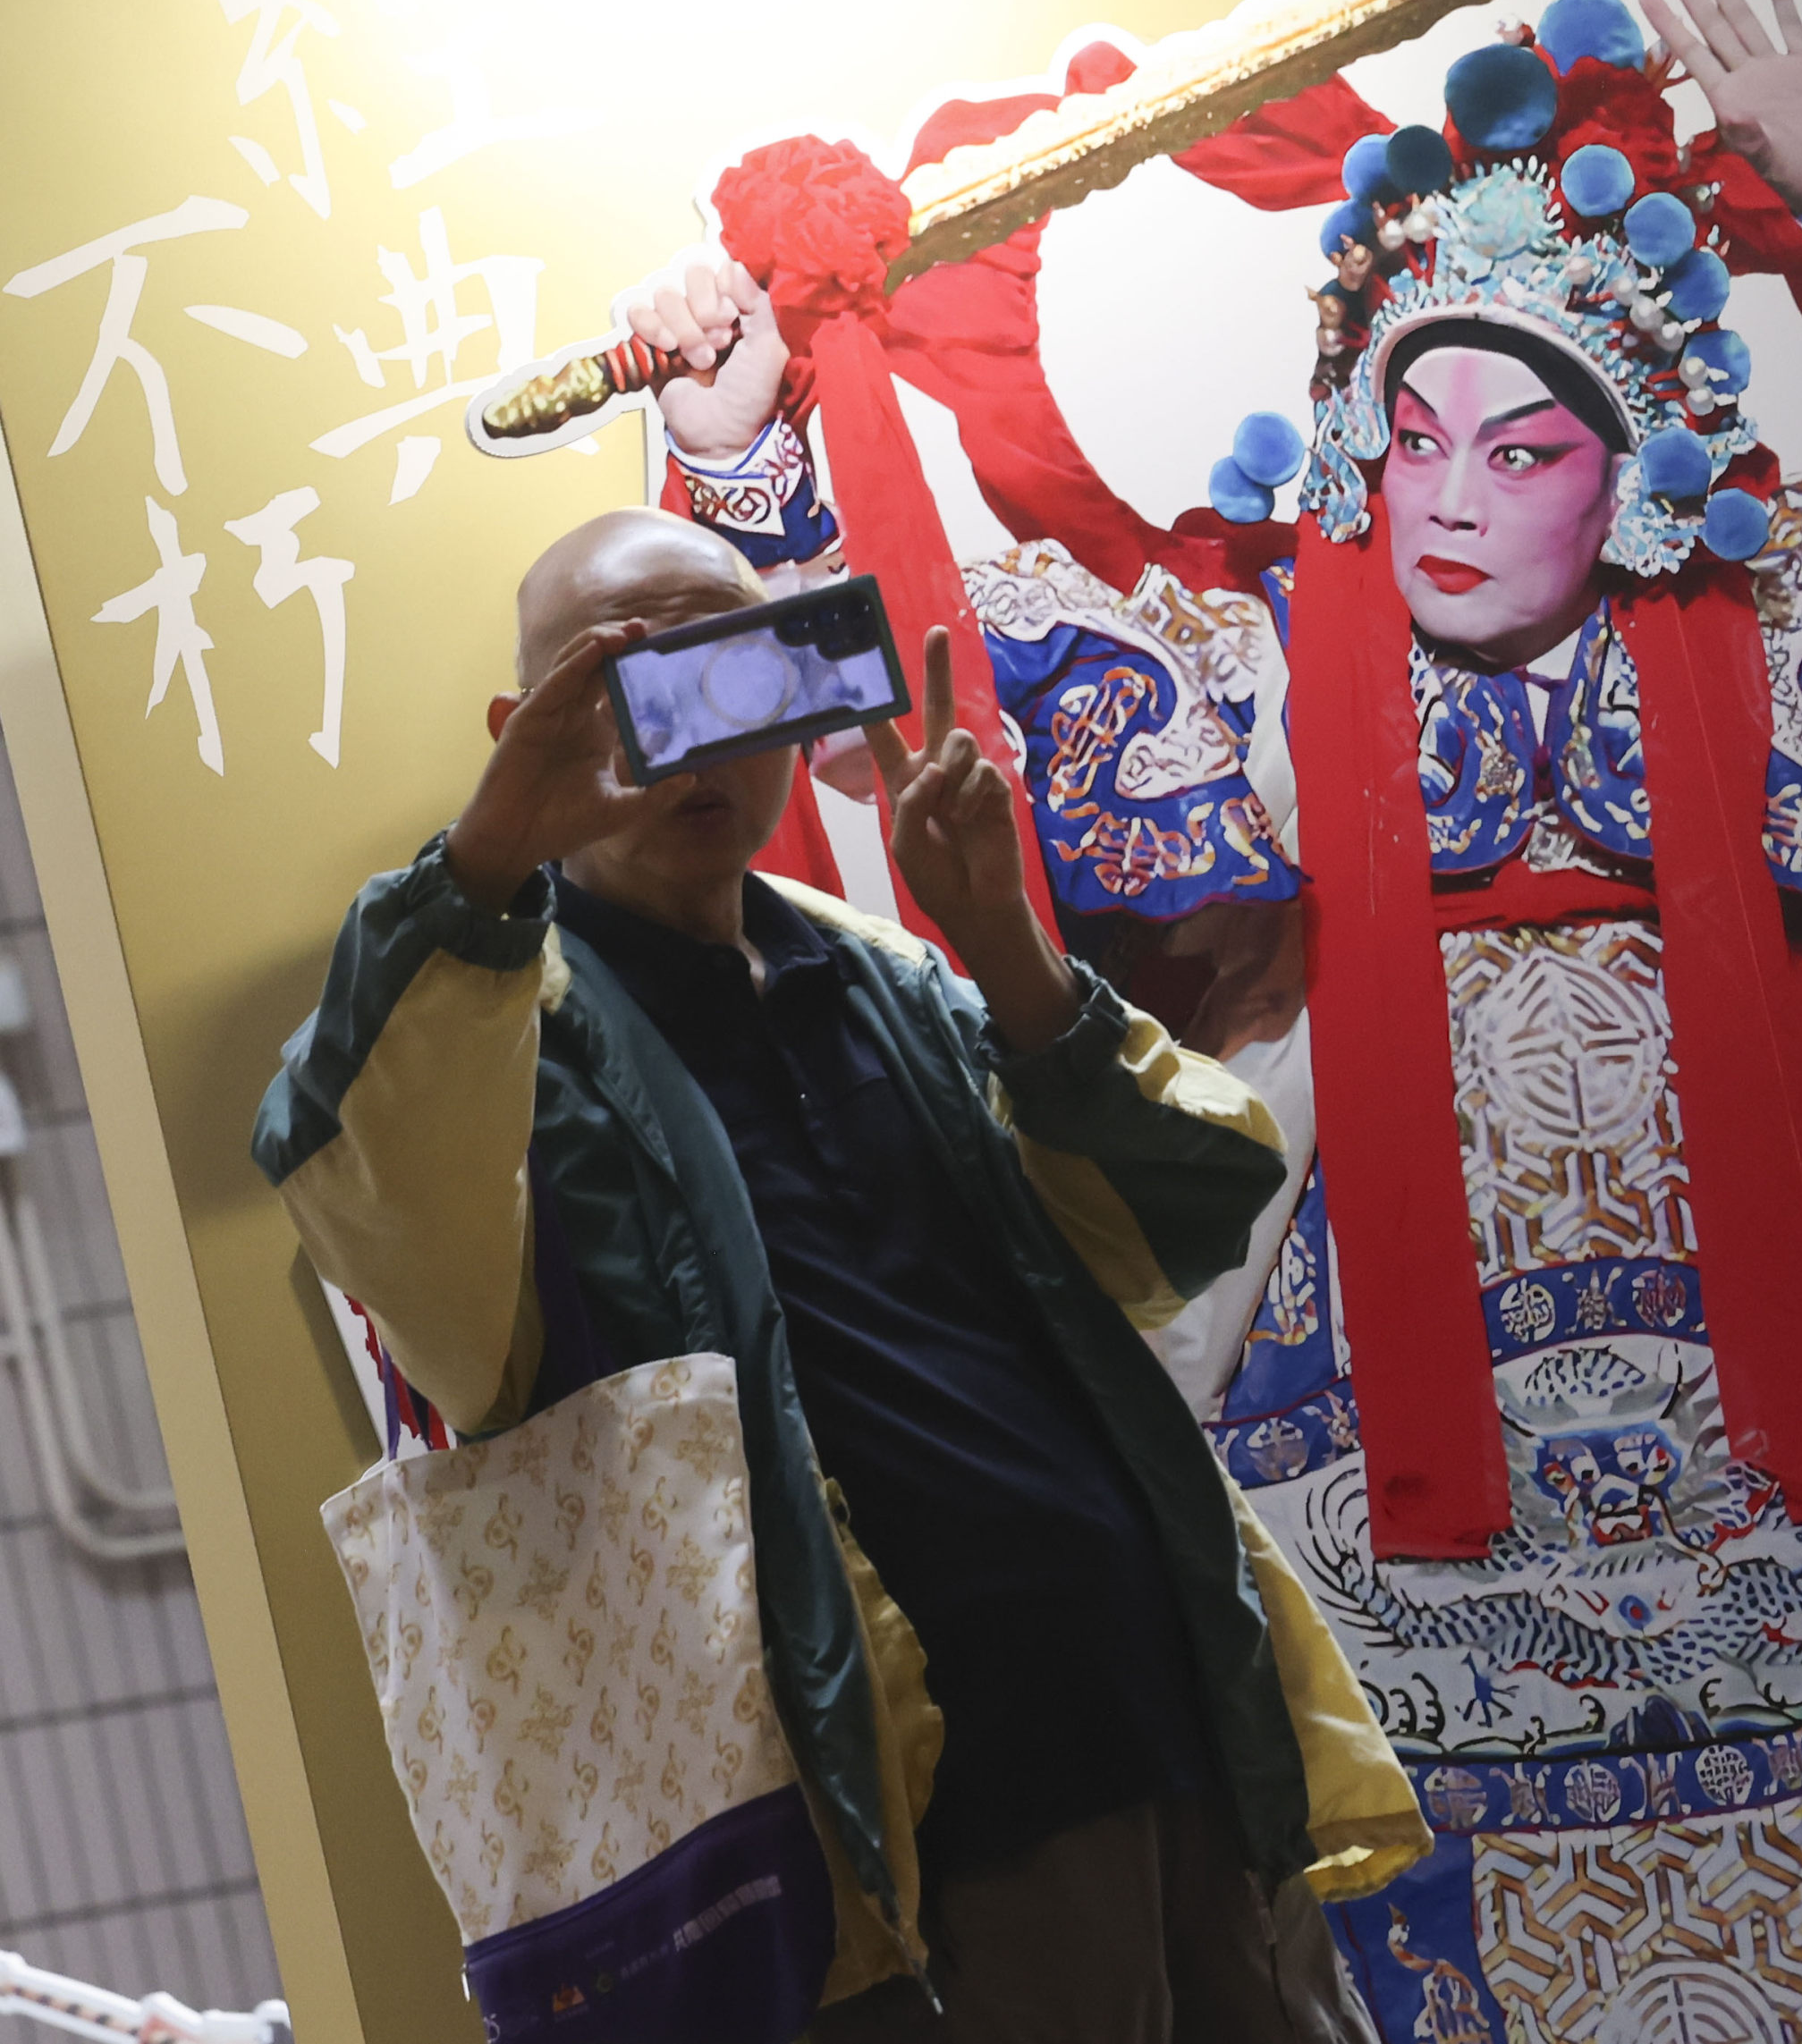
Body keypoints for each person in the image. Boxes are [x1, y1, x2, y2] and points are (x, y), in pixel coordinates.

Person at [659, 0, 1802, 2040]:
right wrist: (745, 455)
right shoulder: (1264, 670)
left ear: (1633, 456)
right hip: (1367, 1385)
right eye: (1419, 436)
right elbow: (884, 688)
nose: (1455, 498)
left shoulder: (1763, 629)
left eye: (1526, 446)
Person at [250, 506, 1427, 2041]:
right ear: (526, 731)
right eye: (628, 687)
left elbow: (1190, 1210)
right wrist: (481, 862)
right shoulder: (496, 1047)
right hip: (928, 1846)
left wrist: (1003, 939)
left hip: (1180, 1734)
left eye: (731, 671)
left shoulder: (883, 971)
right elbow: (351, 1167)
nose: (691, 742)